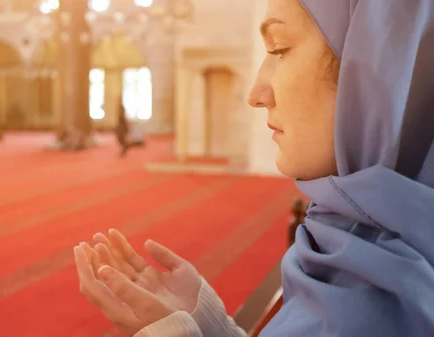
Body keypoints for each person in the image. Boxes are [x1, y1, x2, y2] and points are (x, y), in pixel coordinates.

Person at [74, 0, 434, 336]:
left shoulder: (377, 301)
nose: (255, 93)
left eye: (278, 48)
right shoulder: (351, 232)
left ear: (377, 69)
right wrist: (207, 323)